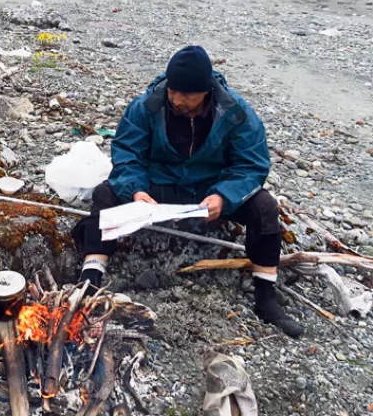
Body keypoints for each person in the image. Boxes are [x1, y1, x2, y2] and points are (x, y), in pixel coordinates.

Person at [71, 46, 304, 338]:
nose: (178, 100)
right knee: (105, 194)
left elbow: (251, 165)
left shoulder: (235, 112)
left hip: (210, 190)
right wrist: (136, 191)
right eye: (174, 91)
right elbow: (128, 154)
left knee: (265, 207)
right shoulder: (147, 106)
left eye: (188, 95)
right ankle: (91, 278)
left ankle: (266, 296)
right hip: (160, 186)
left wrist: (224, 195)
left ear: (206, 91)